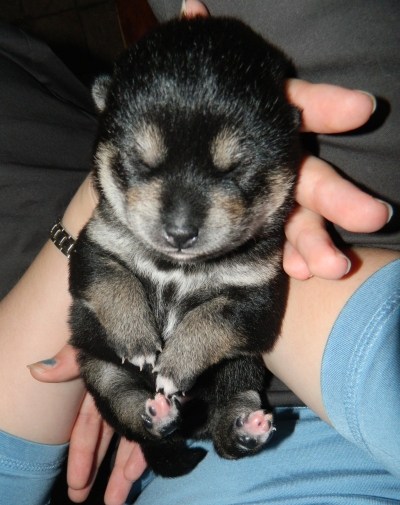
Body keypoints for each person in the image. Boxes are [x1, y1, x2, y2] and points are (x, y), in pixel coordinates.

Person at [0, 1, 399, 504]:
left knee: (238, 370)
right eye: (143, 166)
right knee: (105, 372)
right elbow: (97, 275)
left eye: (233, 172)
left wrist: (191, 349)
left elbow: (247, 320)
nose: (180, 225)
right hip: (298, 382)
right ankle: (154, 419)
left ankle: (231, 419)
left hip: (250, 373)